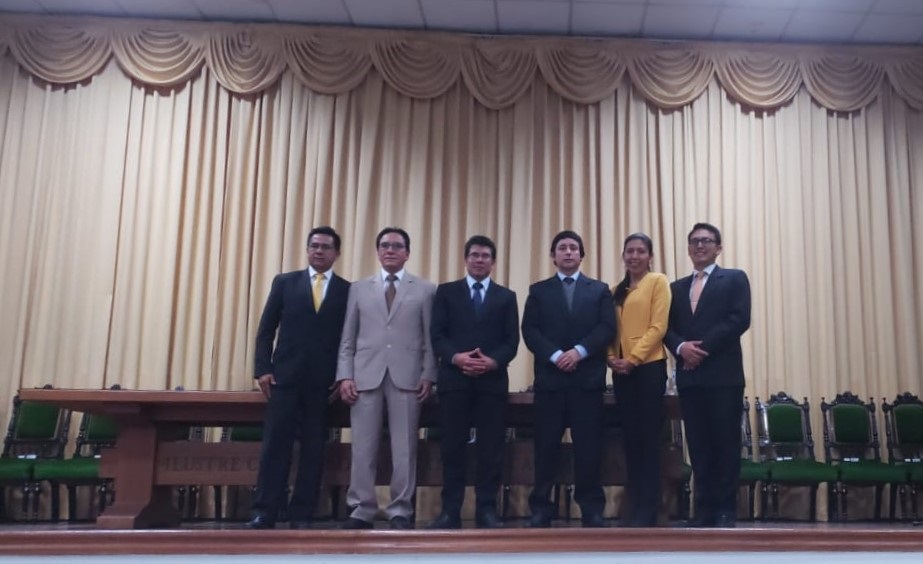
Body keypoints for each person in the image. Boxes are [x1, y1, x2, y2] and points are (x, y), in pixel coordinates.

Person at [248, 226, 351, 529]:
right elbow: (266, 330)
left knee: (313, 448)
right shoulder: (285, 283)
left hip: (324, 383)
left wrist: (344, 375)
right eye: (314, 246)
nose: (319, 251)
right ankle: (264, 510)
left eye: (326, 247)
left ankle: (302, 512)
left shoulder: (348, 290)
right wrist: (263, 368)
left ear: (337, 253)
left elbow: (351, 339)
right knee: (275, 446)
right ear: (307, 250)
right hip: (284, 380)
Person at [336, 227, 437, 529]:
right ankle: (361, 508)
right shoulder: (358, 288)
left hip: (408, 377)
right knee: (362, 447)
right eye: (384, 245)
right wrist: (345, 375)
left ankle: (400, 510)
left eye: (397, 246)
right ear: (378, 251)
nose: (390, 250)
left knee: (404, 448)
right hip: (365, 376)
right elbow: (348, 338)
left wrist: (429, 374)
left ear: (408, 253)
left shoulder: (425, 289)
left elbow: (430, 338)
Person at [521, 230, 616, 528]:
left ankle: (591, 508)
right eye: (562, 248)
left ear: (581, 255)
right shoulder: (539, 291)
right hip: (551, 382)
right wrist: (555, 355)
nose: (568, 252)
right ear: (553, 256)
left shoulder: (599, 290)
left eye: (574, 247)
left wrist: (578, 352)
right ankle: (541, 508)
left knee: (589, 448)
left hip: (586, 382)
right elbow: (530, 331)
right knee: (546, 448)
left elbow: (606, 327)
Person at [427, 235, 520, 529]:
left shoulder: (506, 297)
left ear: (493, 262)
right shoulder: (446, 292)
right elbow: (437, 335)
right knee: (452, 448)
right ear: (466, 259)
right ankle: (450, 511)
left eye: (485, 256)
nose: (479, 260)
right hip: (454, 381)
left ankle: (486, 510)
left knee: (490, 450)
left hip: (491, 383)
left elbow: (511, 341)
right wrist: (457, 358)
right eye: (474, 255)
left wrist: (492, 361)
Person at [664, 222, 751, 528]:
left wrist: (699, 350)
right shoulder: (675, 288)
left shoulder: (735, 278)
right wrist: (681, 348)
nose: (700, 246)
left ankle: (725, 510)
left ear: (718, 247)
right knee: (698, 446)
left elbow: (739, 319)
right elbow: (665, 328)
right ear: (689, 249)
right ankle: (703, 510)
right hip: (690, 379)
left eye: (706, 241)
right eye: (694, 241)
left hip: (723, 376)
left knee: (725, 444)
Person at [606, 233, 671, 528]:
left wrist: (633, 359)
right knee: (630, 439)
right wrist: (611, 358)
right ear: (623, 255)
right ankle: (633, 505)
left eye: (640, 251)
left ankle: (649, 506)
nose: (634, 256)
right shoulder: (615, 290)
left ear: (650, 256)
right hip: (621, 371)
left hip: (648, 368)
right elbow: (610, 330)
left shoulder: (658, 282)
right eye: (629, 251)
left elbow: (658, 327)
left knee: (649, 438)